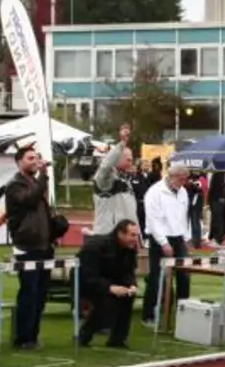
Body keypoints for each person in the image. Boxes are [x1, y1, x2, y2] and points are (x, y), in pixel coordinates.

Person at [4, 145, 56, 350]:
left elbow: (42, 210)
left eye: (36, 157)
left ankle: (33, 335)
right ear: (19, 162)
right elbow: (29, 200)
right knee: (29, 293)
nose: (35, 161)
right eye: (30, 158)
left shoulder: (35, 182)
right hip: (27, 246)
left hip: (44, 245)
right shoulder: (15, 185)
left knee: (41, 294)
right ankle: (23, 337)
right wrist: (44, 176)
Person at [141, 163, 192, 326]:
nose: (184, 182)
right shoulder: (154, 192)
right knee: (157, 277)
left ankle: (183, 311)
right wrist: (163, 243)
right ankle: (148, 314)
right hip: (159, 238)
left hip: (178, 237)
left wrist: (186, 238)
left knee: (184, 275)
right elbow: (153, 220)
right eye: (182, 179)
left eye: (185, 179)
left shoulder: (183, 192)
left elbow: (184, 216)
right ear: (173, 176)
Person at [76, 219, 139, 349]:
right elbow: (87, 275)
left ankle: (117, 339)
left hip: (110, 282)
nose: (135, 239)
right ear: (120, 233)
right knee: (108, 301)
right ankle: (85, 334)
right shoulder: (95, 246)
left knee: (128, 296)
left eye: (136, 235)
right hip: (87, 282)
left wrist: (132, 285)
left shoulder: (130, 248)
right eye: (132, 235)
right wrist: (109, 288)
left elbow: (129, 271)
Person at [92, 125, 137, 239]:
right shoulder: (105, 179)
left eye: (131, 158)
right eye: (127, 158)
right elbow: (105, 166)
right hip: (107, 235)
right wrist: (122, 144)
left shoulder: (125, 180)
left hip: (124, 236)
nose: (130, 161)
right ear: (116, 159)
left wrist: (137, 234)